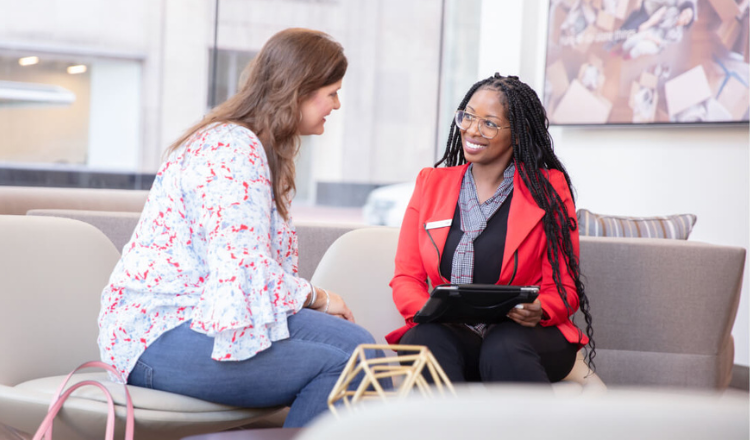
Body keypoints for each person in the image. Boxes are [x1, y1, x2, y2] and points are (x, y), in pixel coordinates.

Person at [97, 28, 387, 428]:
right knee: (358, 358)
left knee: (359, 351)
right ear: (299, 89)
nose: (337, 105)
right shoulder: (232, 147)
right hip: (157, 339)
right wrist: (319, 297)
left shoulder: (249, 146)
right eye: (332, 92)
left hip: (187, 327)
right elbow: (242, 264)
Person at [386, 73, 595, 384]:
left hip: (525, 337)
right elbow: (407, 277)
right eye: (467, 116)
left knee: (503, 346)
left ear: (519, 132)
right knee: (426, 339)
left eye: (489, 123)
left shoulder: (548, 188)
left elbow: (564, 287)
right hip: (455, 336)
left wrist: (540, 309)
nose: (472, 129)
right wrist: (431, 311)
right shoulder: (431, 183)